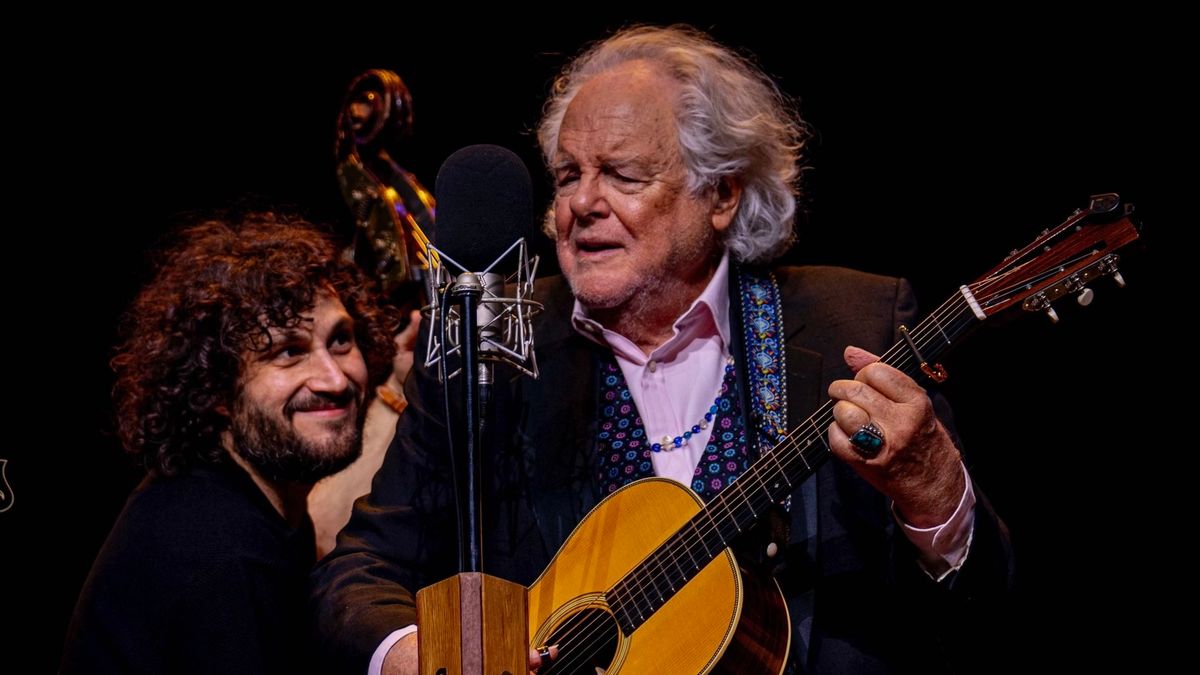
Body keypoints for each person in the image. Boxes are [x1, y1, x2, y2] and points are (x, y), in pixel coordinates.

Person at [312, 25, 1015, 674]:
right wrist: (421, 656)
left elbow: (982, 606)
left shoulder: (851, 323)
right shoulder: (488, 346)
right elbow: (359, 571)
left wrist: (934, 496)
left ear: (721, 193)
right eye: (566, 176)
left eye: (621, 174)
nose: (579, 204)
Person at [61, 212, 398, 674]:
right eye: (288, 352)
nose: (335, 379)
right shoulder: (217, 552)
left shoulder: (255, 502)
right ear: (217, 388)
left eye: (340, 340)